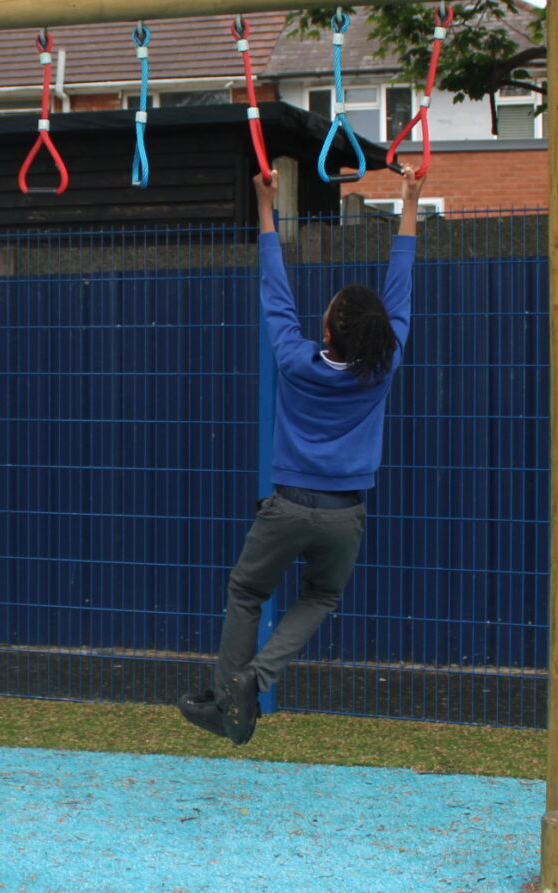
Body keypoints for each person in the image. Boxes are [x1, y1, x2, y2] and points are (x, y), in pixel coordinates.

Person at [179, 162, 422, 745]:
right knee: (322, 596)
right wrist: (409, 198)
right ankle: (254, 682)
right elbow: (402, 280)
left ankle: (224, 695)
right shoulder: (384, 366)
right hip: (344, 514)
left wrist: (266, 206)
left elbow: (275, 289)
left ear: (330, 331)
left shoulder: (294, 359)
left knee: (246, 592)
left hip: (287, 505)